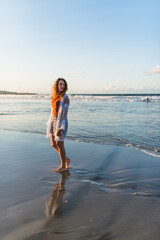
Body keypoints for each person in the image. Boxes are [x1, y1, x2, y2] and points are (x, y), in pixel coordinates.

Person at [46, 78, 71, 172]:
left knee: (60, 144)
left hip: (60, 121)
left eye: (63, 84)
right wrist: (50, 122)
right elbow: (53, 110)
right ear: (57, 85)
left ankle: (63, 166)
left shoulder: (65, 98)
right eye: (60, 84)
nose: (62, 86)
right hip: (53, 120)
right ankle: (66, 159)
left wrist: (60, 127)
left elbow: (64, 114)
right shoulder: (55, 96)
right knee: (53, 143)